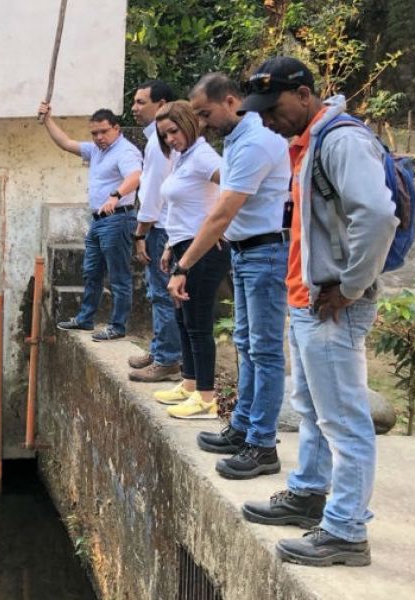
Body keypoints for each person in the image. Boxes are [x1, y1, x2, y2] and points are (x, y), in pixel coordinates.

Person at [238, 57, 397, 567]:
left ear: (305, 94)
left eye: (274, 107)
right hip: (308, 299)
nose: (267, 119)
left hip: (334, 305)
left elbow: (376, 216)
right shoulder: (307, 142)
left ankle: (346, 530)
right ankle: (309, 492)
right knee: (311, 408)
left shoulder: (342, 140)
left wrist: (351, 286)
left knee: (344, 421)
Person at [167, 73, 291, 478]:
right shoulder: (238, 140)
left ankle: (261, 445)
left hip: (265, 252)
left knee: (265, 350)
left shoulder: (256, 142)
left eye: (205, 113)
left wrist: (182, 266)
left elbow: (222, 211)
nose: (201, 122)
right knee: (246, 344)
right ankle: (241, 427)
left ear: (232, 100)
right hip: (244, 252)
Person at [147, 101, 228, 419]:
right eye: (164, 135)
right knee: (183, 318)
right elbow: (181, 207)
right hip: (181, 244)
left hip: (204, 249)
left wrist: (223, 223)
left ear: (189, 125)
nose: (170, 139)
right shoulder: (185, 158)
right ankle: (190, 383)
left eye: (173, 131)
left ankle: (206, 397)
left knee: (197, 323)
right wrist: (169, 245)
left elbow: (234, 187)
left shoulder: (205, 156)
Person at [38, 103, 142, 341]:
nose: (99, 137)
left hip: (117, 219)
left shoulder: (125, 151)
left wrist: (115, 196)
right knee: (91, 272)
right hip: (97, 220)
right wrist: (47, 120)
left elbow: (135, 176)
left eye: (103, 132)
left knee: (118, 276)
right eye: (94, 133)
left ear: (116, 128)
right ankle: (85, 319)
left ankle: (117, 326)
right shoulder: (97, 151)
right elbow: (66, 143)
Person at [128, 81, 184, 382]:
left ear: (161, 103)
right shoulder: (158, 141)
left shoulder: (159, 143)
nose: (135, 108)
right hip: (163, 225)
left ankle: (166, 359)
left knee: (163, 294)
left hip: (161, 226)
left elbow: (152, 192)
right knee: (158, 292)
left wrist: (140, 233)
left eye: (141, 102)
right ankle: (161, 347)